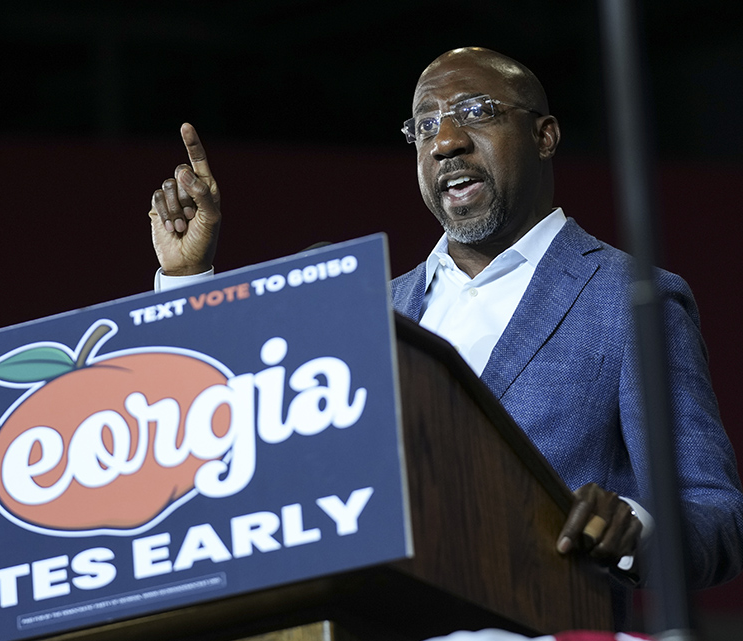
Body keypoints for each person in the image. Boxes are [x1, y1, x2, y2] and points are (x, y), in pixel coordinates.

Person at [146, 47, 743, 592]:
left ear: (544, 135)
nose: (445, 141)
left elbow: (714, 513)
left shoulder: (629, 299)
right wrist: (187, 279)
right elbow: (233, 450)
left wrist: (635, 528)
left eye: (476, 112)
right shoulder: (364, 308)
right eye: (425, 124)